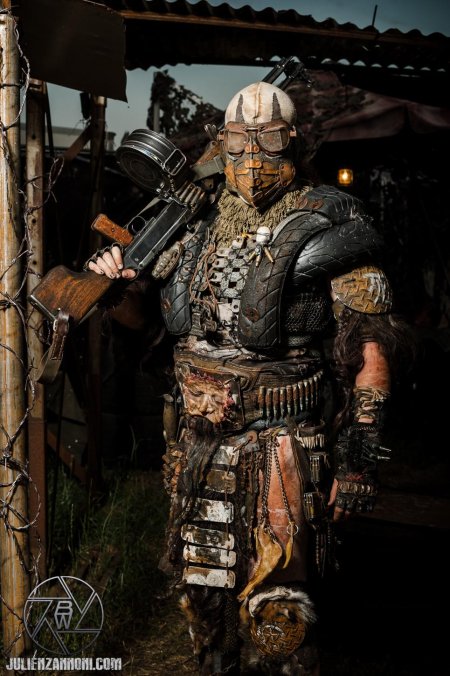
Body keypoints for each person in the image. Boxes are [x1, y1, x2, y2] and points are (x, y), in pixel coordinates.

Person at [87, 82, 412, 675]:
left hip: (281, 444)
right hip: (197, 440)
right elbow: (144, 321)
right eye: (239, 141)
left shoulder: (329, 220)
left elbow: (370, 349)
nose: (253, 156)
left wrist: (359, 460)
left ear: (295, 141)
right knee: (203, 602)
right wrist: (114, 288)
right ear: (223, 142)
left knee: (279, 612)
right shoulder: (196, 221)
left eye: (269, 140)